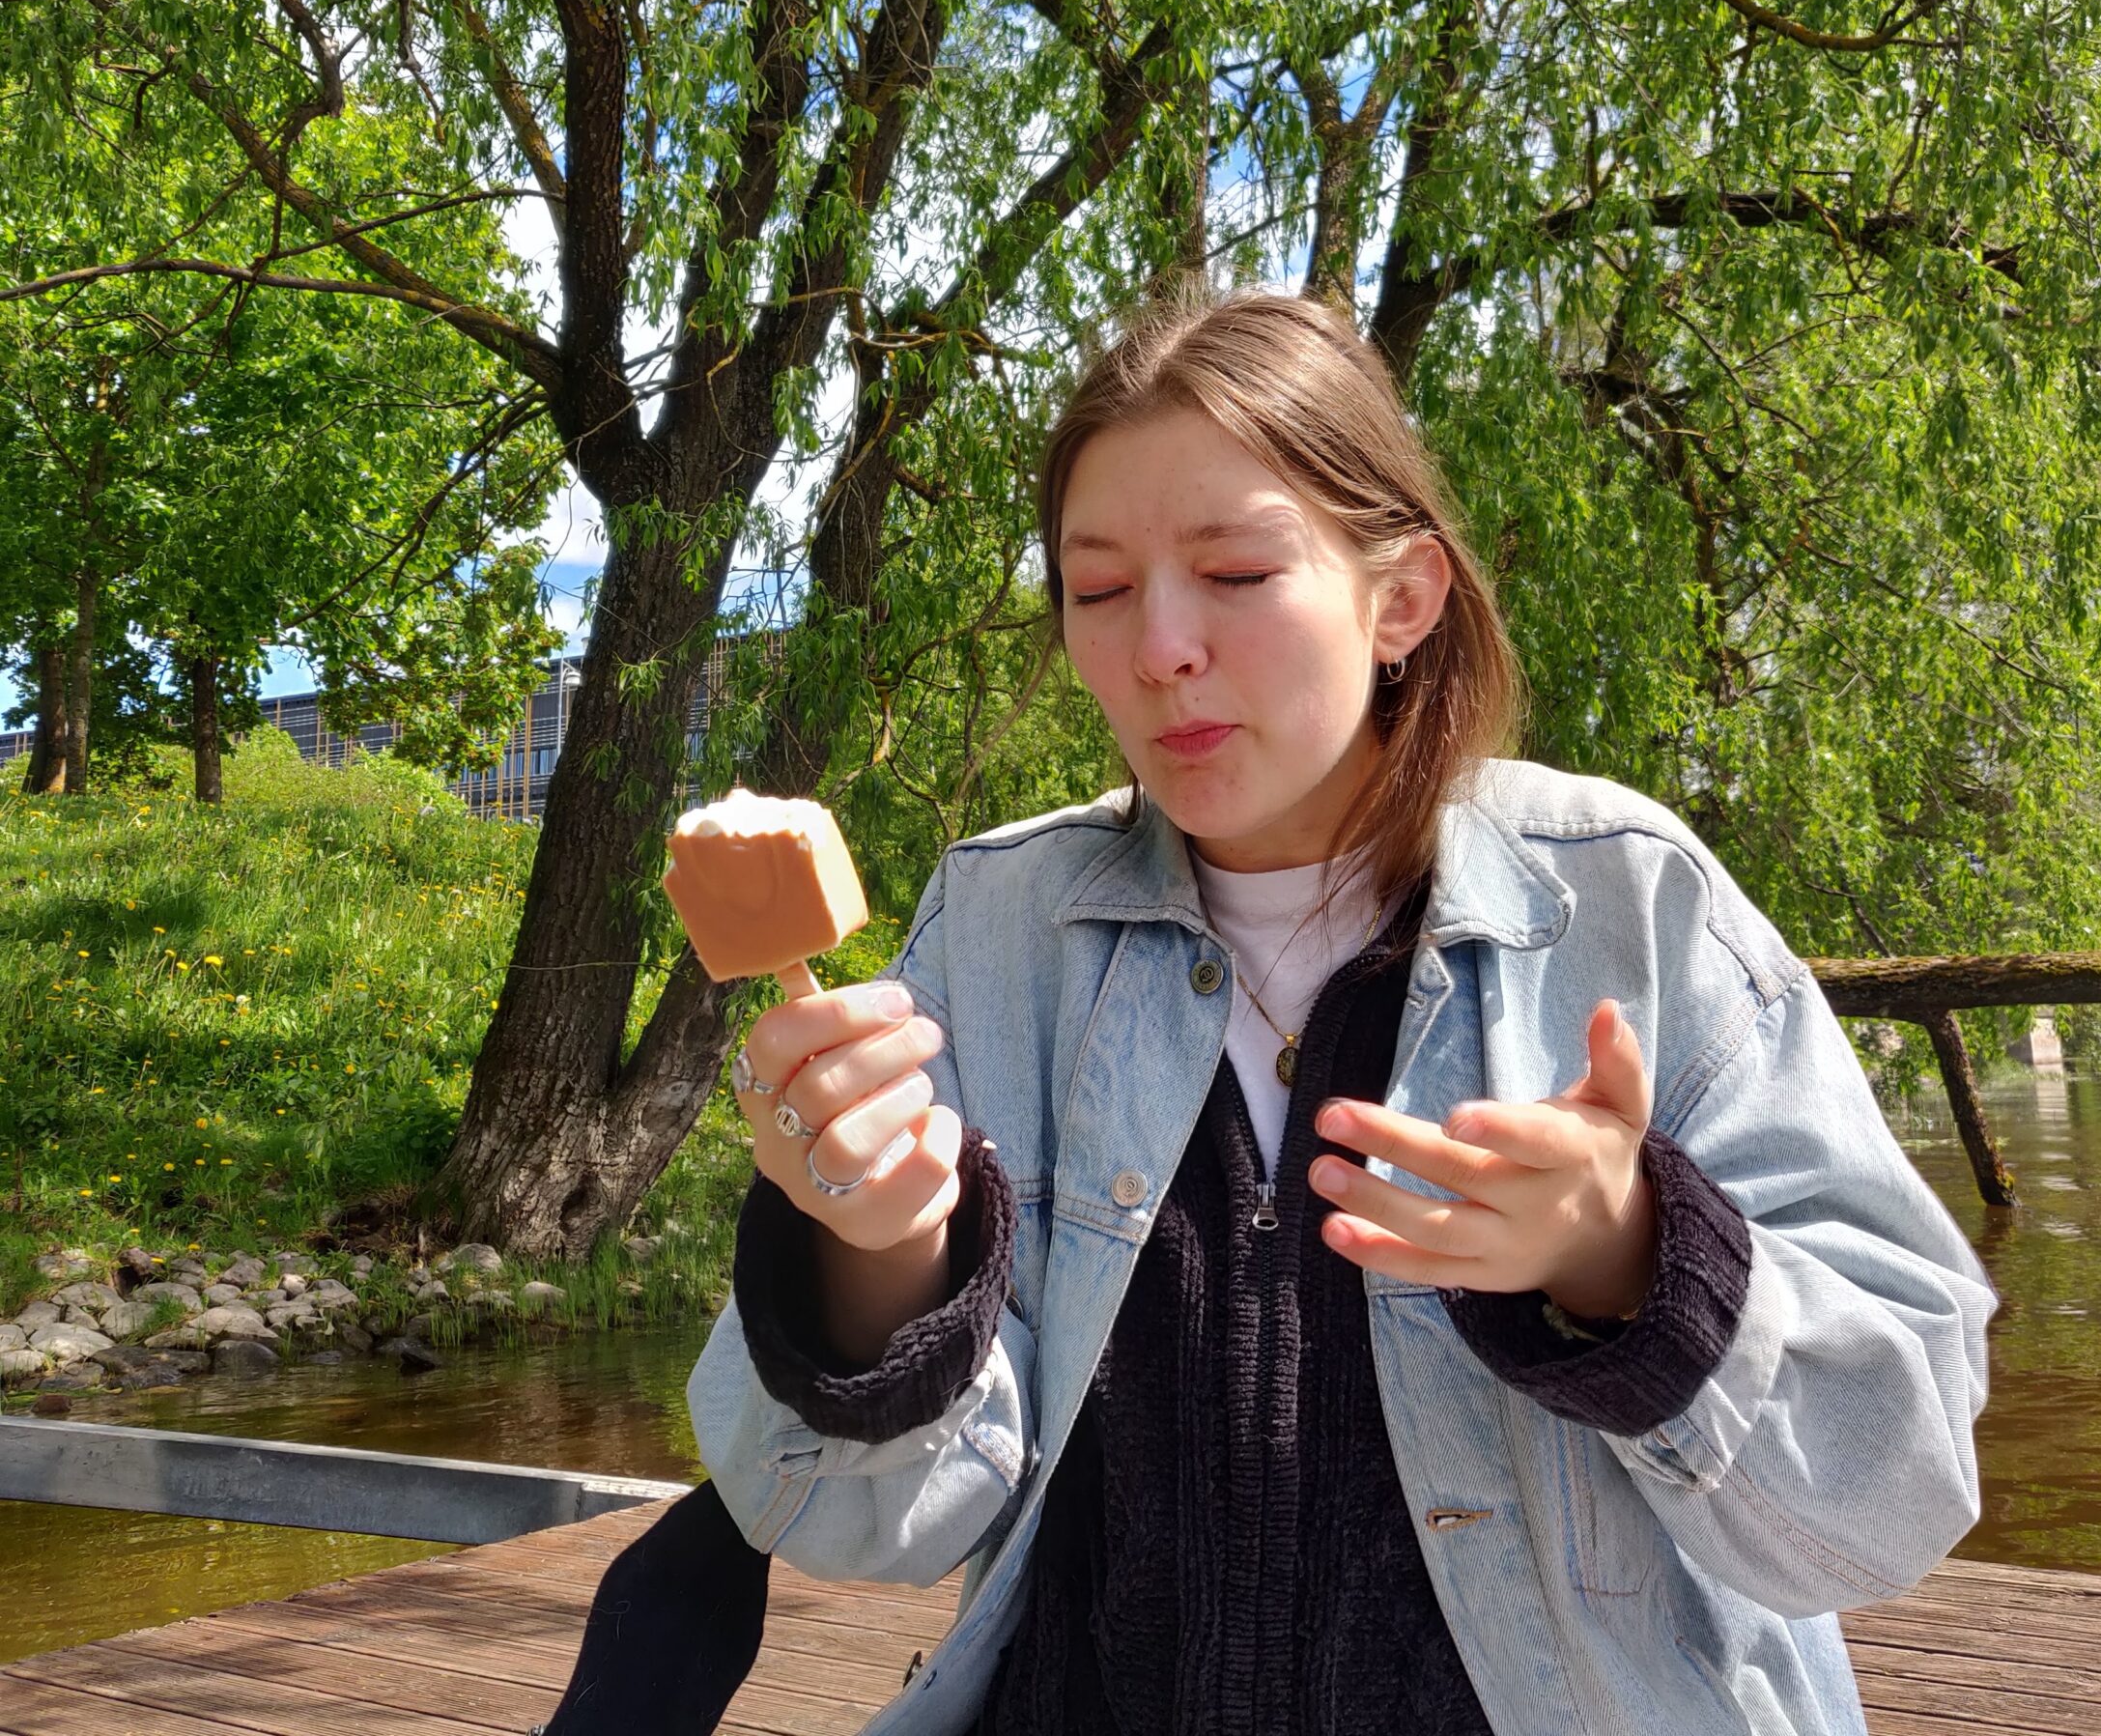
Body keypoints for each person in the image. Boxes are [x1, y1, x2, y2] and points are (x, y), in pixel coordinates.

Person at [689, 287, 1994, 1736]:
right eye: (1098, 589)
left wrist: (1629, 1257)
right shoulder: (1000, 927)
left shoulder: (1629, 903)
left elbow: (1896, 1495)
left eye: (1237, 572)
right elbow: (856, 1526)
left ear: (1403, 599)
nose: (1160, 647)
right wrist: (876, 1255)